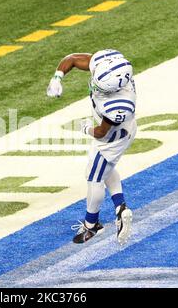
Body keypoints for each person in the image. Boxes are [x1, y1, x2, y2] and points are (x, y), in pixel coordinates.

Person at [46, 49, 136, 245]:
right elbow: (72, 59)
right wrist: (57, 77)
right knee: (106, 167)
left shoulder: (119, 105)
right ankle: (120, 207)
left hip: (112, 138)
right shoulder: (110, 65)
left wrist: (86, 128)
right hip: (124, 131)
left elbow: (102, 132)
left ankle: (91, 225)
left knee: (94, 176)